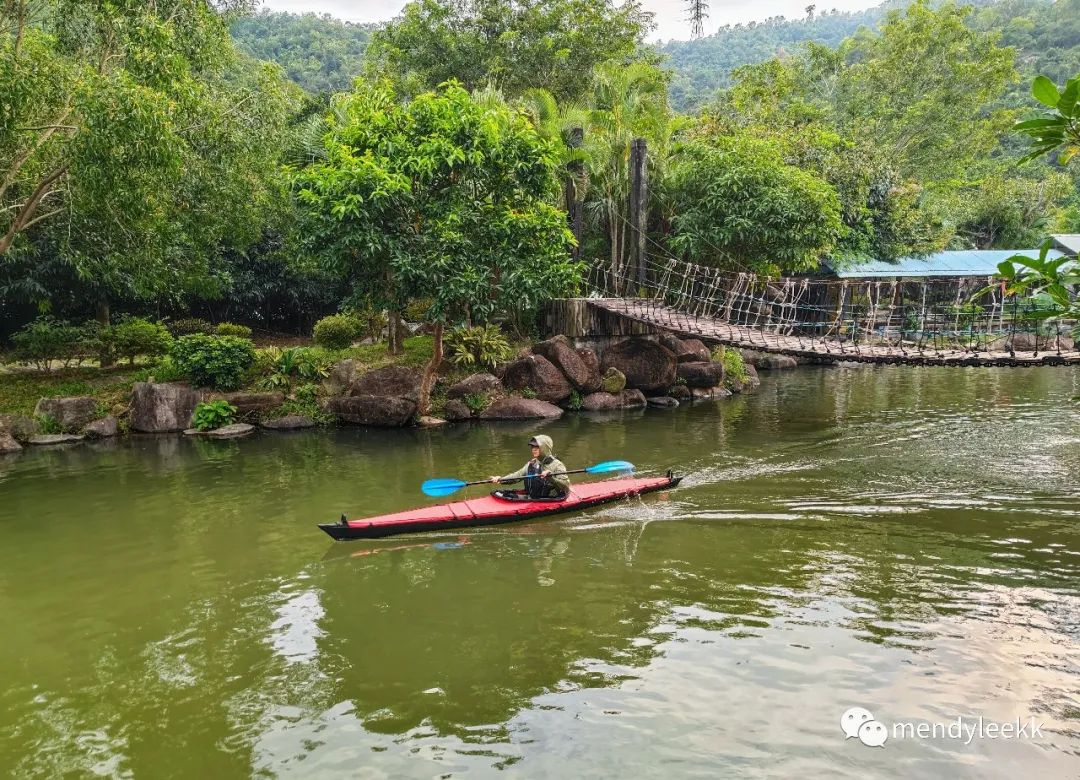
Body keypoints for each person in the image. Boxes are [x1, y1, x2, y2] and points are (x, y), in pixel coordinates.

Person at [489, 435, 570, 499]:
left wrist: (550, 478)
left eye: (537, 447)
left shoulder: (557, 465)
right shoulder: (532, 463)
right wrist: (501, 479)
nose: (533, 449)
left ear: (545, 448)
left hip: (550, 499)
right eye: (532, 447)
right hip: (532, 497)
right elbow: (517, 476)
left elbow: (565, 487)